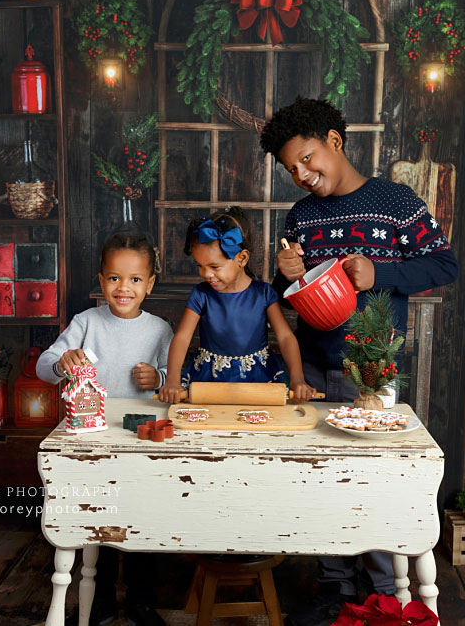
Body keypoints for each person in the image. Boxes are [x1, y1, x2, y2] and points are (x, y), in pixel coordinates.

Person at [260, 97, 459, 626]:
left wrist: (381, 275)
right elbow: (290, 295)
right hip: (315, 368)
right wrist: (283, 272)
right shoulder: (301, 216)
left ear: (335, 141)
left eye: (307, 158)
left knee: (369, 477)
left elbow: (445, 264)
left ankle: (377, 595)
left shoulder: (395, 202)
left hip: (371, 372)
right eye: (291, 169)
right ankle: (334, 586)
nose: (302, 174)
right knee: (322, 477)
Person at [37, 232, 173, 626]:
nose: (123, 288)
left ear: (149, 284)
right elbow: (44, 367)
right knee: (100, 518)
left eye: (134, 279)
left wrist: (158, 376)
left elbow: (174, 383)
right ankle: (99, 604)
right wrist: (64, 361)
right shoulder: (85, 323)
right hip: (93, 437)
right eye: (114, 278)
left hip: (143, 435)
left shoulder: (161, 329)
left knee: (145, 520)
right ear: (101, 281)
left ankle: (142, 602)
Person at [158, 208, 315, 403]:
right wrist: (172, 380)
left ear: (242, 258)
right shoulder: (201, 294)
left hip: (258, 378)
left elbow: (285, 337)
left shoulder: (264, 293)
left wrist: (297, 379)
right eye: (200, 266)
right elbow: (182, 338)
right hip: (211, 378)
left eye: (214, 267)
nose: (206, 274)